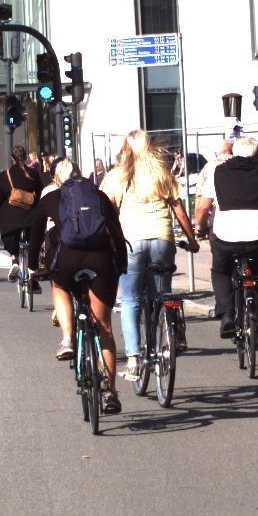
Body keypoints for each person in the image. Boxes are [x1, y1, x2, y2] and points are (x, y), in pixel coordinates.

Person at [103, 129, 200, 379]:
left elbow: (107, 210)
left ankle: (133, 358)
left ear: (126, 148)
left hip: (131, 241)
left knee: (130, 299)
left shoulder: (117, 176)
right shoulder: (162, 172)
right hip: (162, 238)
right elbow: (179, 210)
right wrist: (192, 240)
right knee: (163, 291)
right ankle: (171, 327)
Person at [40, 159, 126, 414]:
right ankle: (109, 391)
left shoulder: (52, 197)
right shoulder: (99, 196)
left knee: (59, 286)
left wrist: (34, 265)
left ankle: (67, 338)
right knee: (104, 328)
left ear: (57, 179)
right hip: (100, 260)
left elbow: (35, 236)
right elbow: (116, 232)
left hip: (68, 258)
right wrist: (121, 265)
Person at [195, 135, 258, 344]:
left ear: (234, 153)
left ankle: (227, 315)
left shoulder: (219, 173)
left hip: (226, 236)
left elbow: (203, 207)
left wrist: (201, 227)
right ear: (256, 154)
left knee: (221, 271)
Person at [0, 145, 47, 290]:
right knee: (34, 241)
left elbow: (0, 197)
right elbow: (40, 191)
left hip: (11, 215)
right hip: (30, 213)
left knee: (9, 233)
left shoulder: (5, 174)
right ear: (25, 157)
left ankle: (14, 259)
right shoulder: (33, 173)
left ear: (12, 158)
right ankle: (32, 273)